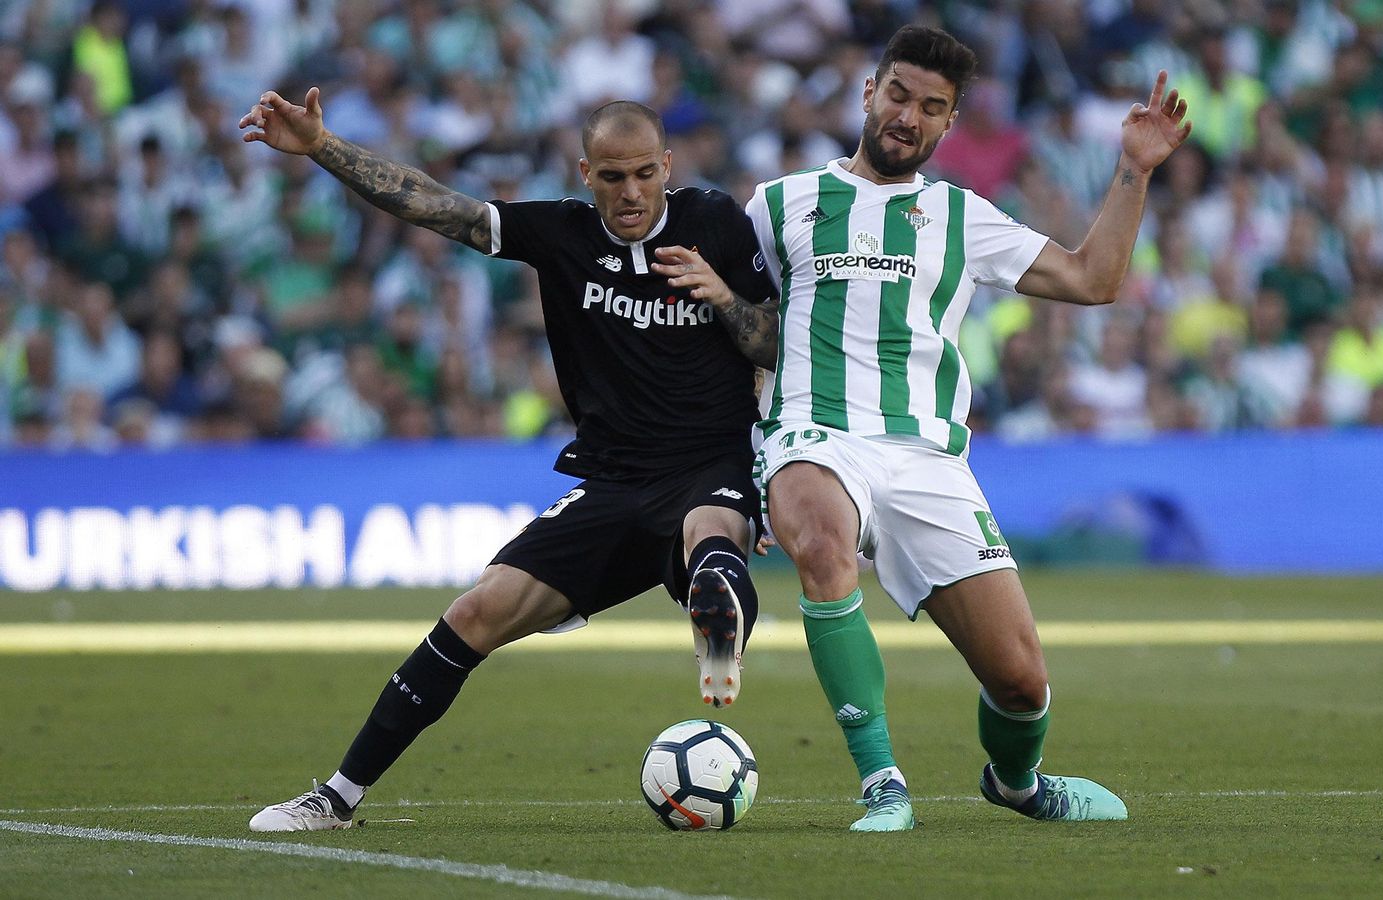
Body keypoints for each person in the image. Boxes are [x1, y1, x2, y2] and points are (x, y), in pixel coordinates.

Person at [665, 25, 1191, 831]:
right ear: (870, 92)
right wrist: (734, 474)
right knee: (817, 532)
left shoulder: (960, 217)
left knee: (1021, 684)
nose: (910, 116)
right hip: (814, 431)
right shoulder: (778, 205)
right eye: (900, 95)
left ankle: (1018, 784)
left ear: (950, 124)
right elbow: (743, 333)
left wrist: (1134, 168)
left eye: (933, 107)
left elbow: (1095, 278)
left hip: (927, 457)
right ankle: (883, 783)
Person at [238, 90, 775, 831]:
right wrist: (323, 147)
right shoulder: (561, 234)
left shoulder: (715, 221)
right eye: (613, 176)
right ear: (585, 172)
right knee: (475, 612)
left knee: (711, 537)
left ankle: (717, 616)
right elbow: (435, 206)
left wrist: (722, 296)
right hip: (611, 480)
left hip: (708, 463)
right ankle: (335, 797)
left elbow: (773, 344)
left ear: (668, 167)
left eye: (645, 174)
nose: (631, 192)